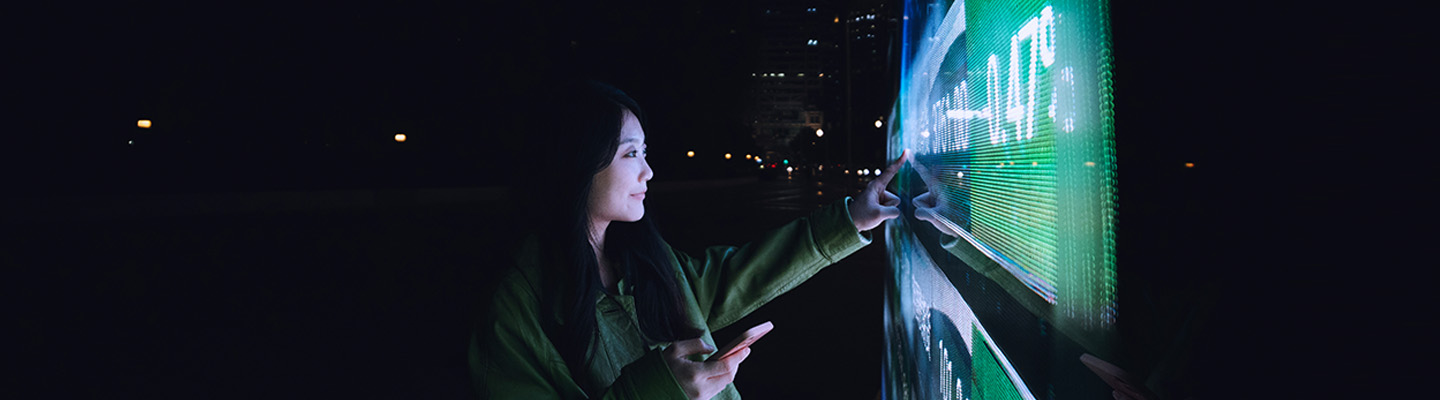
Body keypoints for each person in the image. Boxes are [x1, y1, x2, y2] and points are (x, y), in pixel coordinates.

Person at [469, 81, 907, 399]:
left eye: (645, 152)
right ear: (577, 163)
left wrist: (852, 217)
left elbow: (741, 275)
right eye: (630, 154)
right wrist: (659, 390)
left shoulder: (641, 259)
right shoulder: (515, 308)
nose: (648, 171)